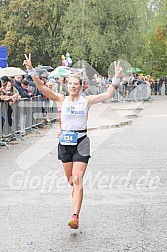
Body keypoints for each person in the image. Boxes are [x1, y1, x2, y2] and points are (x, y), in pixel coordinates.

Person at [23, 53, 122, 229]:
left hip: (82, 141)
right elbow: (42, 88)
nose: (73, 86)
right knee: (70, 180)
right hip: (65, 143)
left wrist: (115, 78)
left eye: (76, 84)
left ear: (81, 86)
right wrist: (31, 70)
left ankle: (75, 216)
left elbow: (107, 94)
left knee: (77, 180)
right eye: (70, 84)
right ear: (67, 86)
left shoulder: (87, 100)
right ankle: (75, 195)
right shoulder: (62, 100)